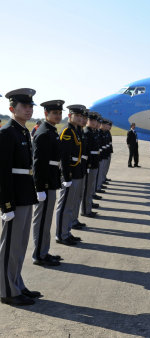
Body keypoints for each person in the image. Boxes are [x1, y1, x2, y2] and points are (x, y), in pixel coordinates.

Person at [0, 88, 42, 306]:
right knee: (9, 246)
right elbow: (3, 172)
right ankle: (7, 290)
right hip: (14, 197)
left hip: (25, 194)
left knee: (20, 245)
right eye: (24, 106)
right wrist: (6, 205)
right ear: (11, 109)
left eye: (30, 106)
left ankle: (16, 283)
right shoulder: (6, 133)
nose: (28, 109)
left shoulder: (23, 132)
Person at [31, 100, 65, 267]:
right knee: (42, 220)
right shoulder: (44, 133)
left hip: (51, 181)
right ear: (46, 114)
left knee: (46, 220)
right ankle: (39, 254)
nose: (58, 116)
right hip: (45, 184)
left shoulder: (51, 131)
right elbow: (38, 163)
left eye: (59, 113)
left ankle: (44, 251)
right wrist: (39, 188)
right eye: (54, 113)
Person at [55, 104, 86, 246]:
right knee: (64, 206)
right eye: (77, 116)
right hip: (70, 175)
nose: (80, 118)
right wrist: (66, 177)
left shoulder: (76, 131)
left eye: (81, 116)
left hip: (76, 173)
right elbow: (64, 157)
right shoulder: (67, 131)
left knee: (71, 205)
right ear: (70, 116)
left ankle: (66, 232)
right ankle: (61, 235)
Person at [81, 112, 101, 218]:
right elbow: (86, 151)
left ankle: (88, 207)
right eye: (92, 120)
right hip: (89, 164)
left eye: (95, 121)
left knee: (90, 188)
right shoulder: (87, 132)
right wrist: (88, 165)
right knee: (87, 189)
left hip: (94, 162)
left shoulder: (92, 132)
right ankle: (85, 210)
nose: (94, 123)